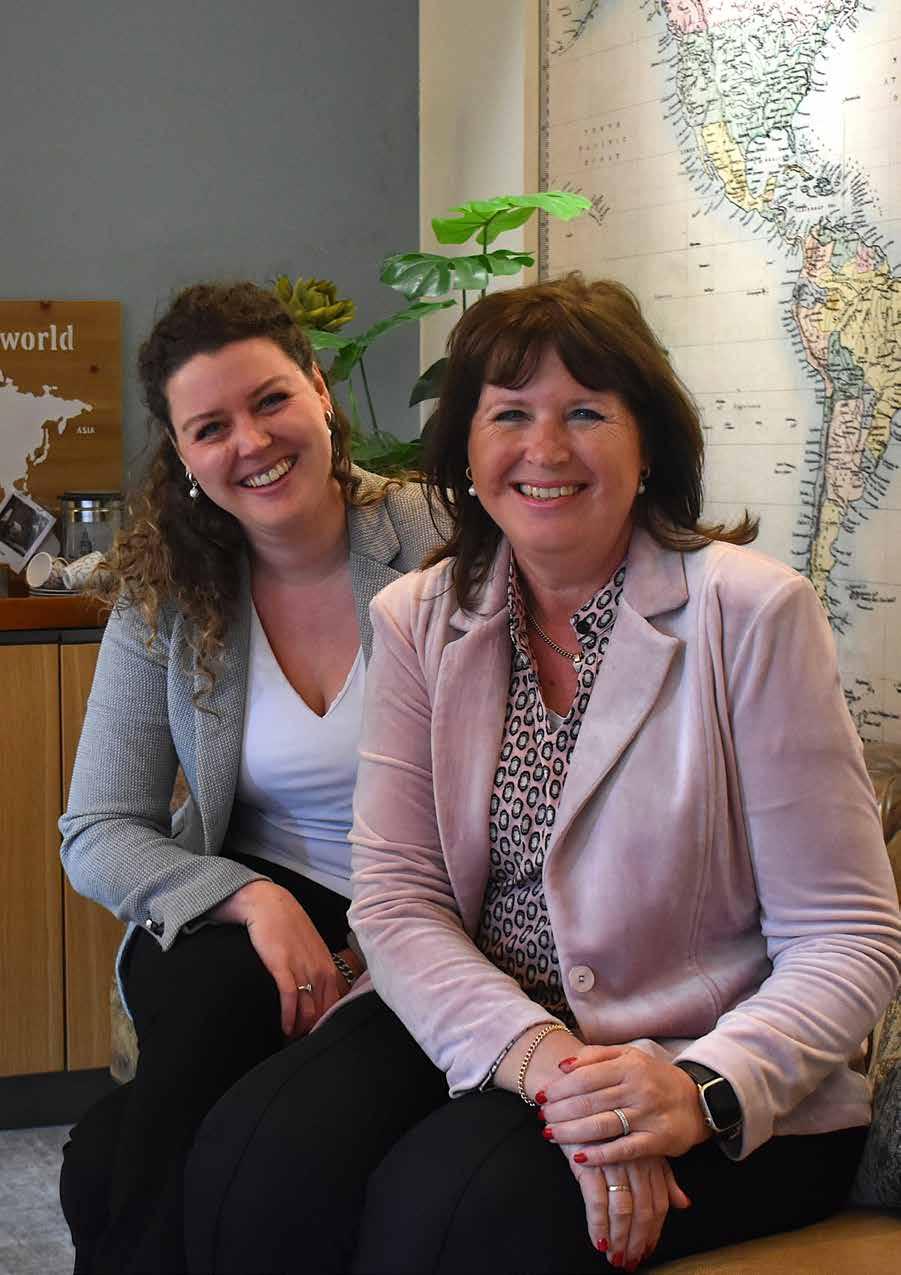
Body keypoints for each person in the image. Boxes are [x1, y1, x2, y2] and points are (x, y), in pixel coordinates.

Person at [184, 275, 901, 1273]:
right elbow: (397, 898)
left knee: (448, 1212)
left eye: (586, 413)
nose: (546, 449)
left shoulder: (751, 615)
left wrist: (694, 1091)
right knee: (251, 1166)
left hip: (712, 1068)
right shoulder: (419, 618)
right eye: (510, 414)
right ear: (466, 452)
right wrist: (548, 1064)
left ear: (648, 446)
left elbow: (845, 936)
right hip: (486, 1019)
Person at [57, 281, 447, 1275]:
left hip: (422, 907)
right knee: (214, 989)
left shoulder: (436, 537)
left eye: (271, 399)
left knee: (104, 1160)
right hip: (242, 899)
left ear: (319, 389)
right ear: (182, 454)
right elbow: (97, 828)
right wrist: (250, 897)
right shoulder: (166, 591)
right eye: (211, 427)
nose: (253, 442)